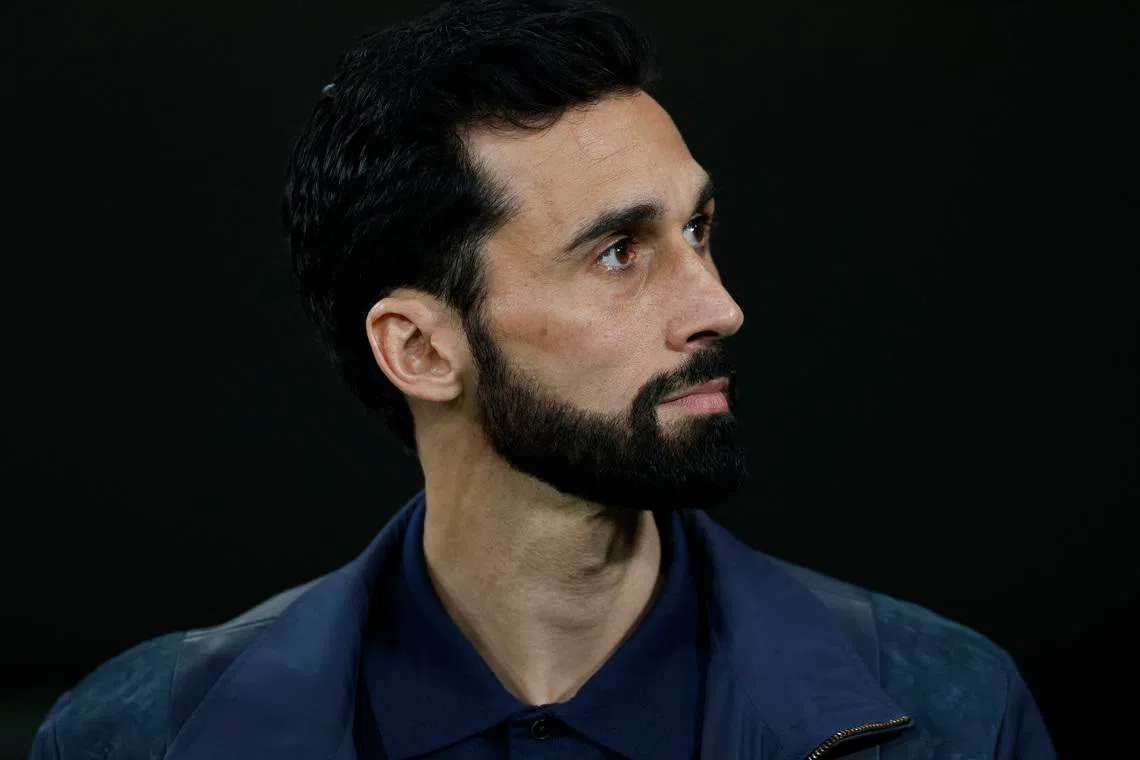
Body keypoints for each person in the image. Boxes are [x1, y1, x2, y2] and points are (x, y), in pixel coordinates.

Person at [29, 1, 1056, 758]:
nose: (719, 306)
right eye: (619, 252)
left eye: (697, 228)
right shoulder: (135, 734)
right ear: (422, 349)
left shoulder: (954, 711)